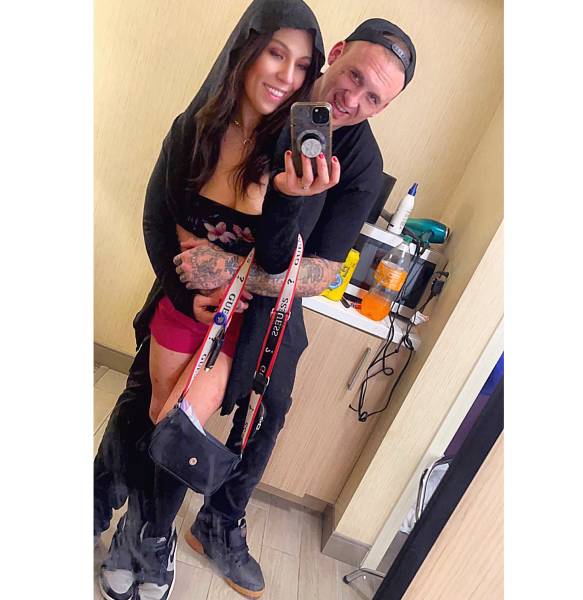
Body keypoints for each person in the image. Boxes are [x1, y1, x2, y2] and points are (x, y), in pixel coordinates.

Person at [94, 12, 417, 600]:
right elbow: (173, 209)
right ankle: (108, 497)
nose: (353, 99)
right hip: (195, 285)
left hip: (271, 296)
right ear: (335, 53)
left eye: (374, 98)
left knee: (266, 406)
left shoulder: (361, 163)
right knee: (149, 394)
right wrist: (193, 277)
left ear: (385, 107)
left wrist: (233, 273)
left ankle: (215, 523)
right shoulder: (265, 101)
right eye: (354, 77)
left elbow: (321, 271)